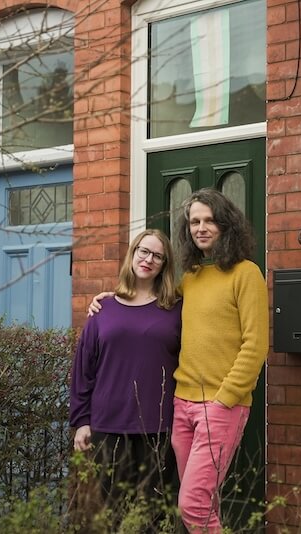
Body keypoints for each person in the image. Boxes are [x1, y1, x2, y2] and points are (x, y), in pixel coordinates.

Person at [89, 188, 269, 533]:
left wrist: (226, 397)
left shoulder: (247, 274)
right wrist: (113, 299)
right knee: (198, 502)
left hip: (221, 405)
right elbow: (149, 306)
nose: (200, 228)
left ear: (225, 224)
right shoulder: (191, 278)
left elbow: (255, 344)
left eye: (209, 220)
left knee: (193, 503)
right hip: (182, 405)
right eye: (193, 222)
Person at [70, 228, 182, 526]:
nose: (148, 259)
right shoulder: (103, 309)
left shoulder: (175, 309)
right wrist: (81, 421)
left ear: (164, 264)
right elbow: (83, 369)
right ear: (132, 254)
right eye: (143, 251)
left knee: (153, 516)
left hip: (158, 428)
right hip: (108, 426)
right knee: (109, 514)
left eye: (157, 255)